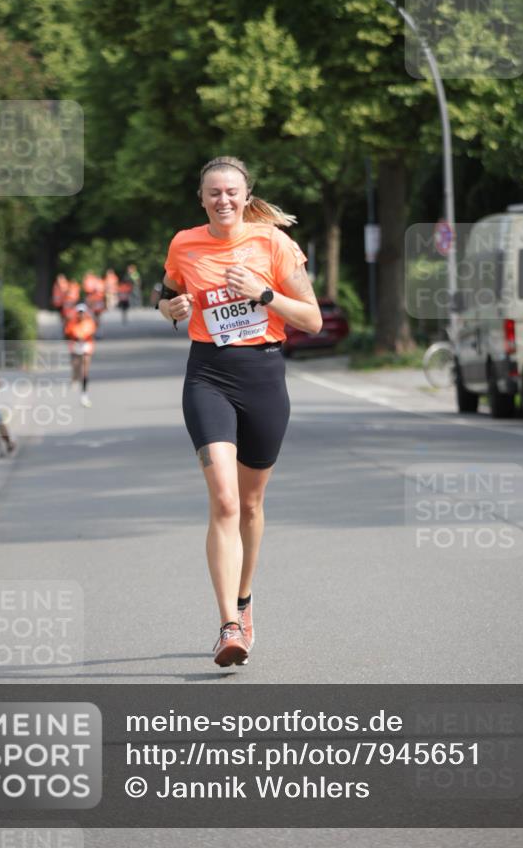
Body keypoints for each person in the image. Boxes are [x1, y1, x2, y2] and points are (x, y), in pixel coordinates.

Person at [159, 155, 322, 667]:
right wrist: (170, 309)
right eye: (214, 192)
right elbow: (166, 295)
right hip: (207, 376)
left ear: (246, 196)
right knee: (226, 501)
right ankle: (229, 624)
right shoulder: (184, 244)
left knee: (250, 504)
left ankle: (245, 599)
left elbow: (312, 320)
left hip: (264, 376)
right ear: (201, 198)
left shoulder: (273, 243)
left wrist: (264, 293)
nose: (223, 200)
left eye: (232, 191)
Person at [63, 303, 96, 407]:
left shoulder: (89, 322)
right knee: (76, 367)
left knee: (85, 370)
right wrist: (75, 337)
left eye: (82, 312)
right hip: (75, 346)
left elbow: (91, 333)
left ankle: (84, 394)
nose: (81, 314)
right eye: (79, 312)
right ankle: (74, 379)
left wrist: (83, 337)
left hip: (86, 346)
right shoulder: (72, 323)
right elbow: (67, 334)